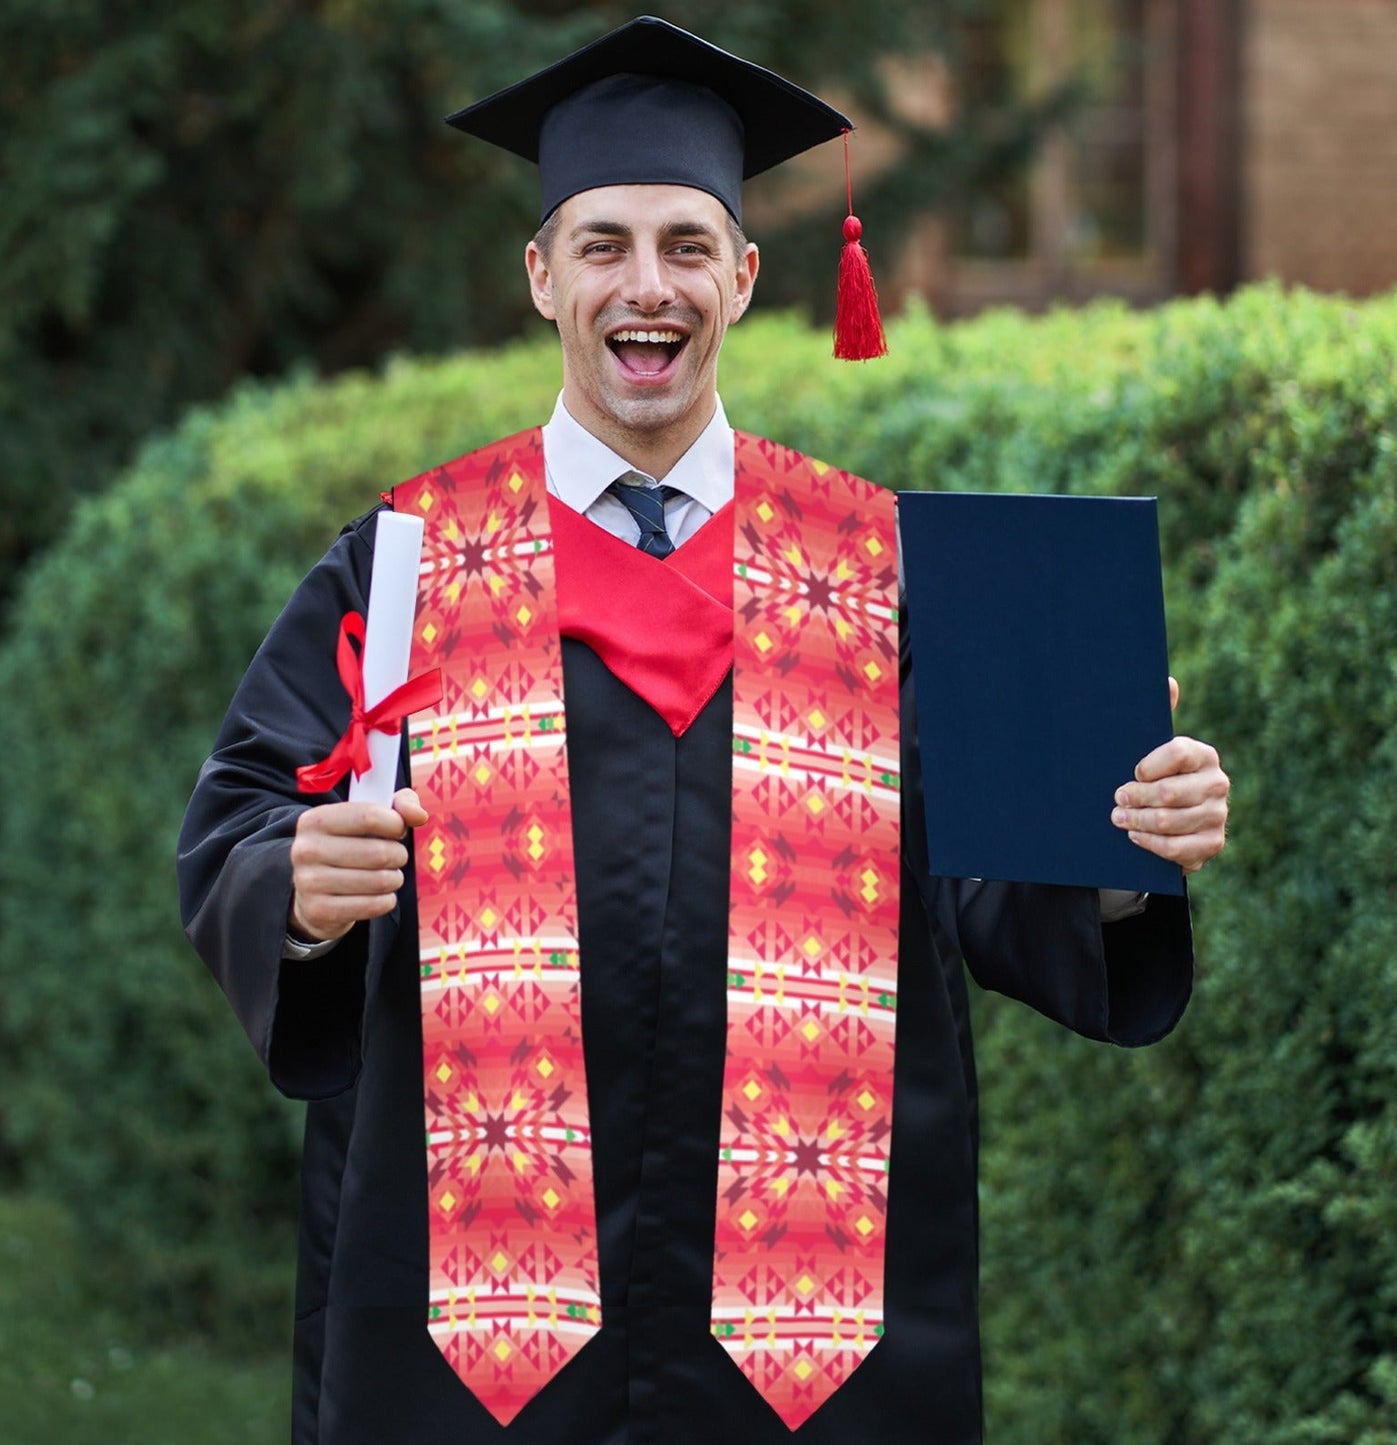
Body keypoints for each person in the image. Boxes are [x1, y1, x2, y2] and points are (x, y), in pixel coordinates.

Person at [177, 17, 1229, 1445]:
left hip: (814, 1329)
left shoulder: (883, 569)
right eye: (602, 244)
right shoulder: (412, 564)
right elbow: (242, 817)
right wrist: (294, 887)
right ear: (541, 275)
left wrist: (1117, 846)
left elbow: (992, 884)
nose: (644, 285)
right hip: (473, 1326)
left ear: (741, 276)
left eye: (684, 244)